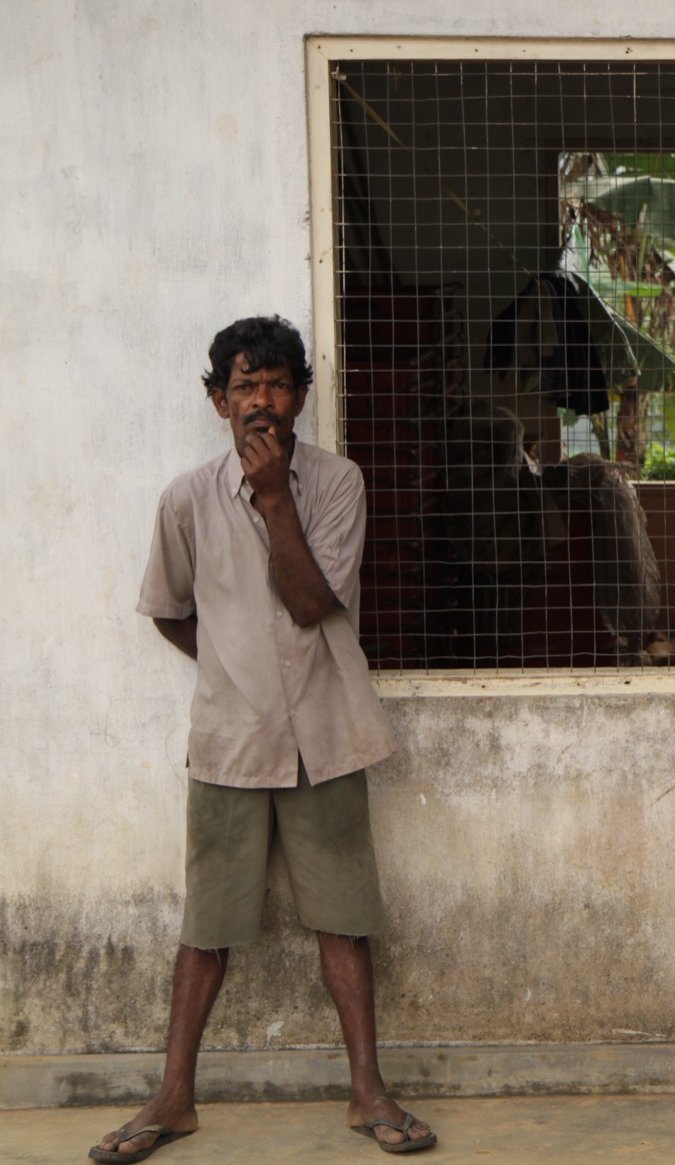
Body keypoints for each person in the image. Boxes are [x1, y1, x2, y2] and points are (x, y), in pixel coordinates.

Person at [92, 316, 435, 1160]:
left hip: (326, 730)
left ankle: (367, 1092)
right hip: (230, 741)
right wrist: (232, 668)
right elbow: (172, 612)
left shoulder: (337, 483)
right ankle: (172, 1098)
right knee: (206, 928)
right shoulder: (185, 499)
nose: (262, 401)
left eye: (279, 385)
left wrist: (277, 494)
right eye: (245, 386)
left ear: (302, 398)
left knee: (343, 922)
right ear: (218, 401)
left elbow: (313, 604)